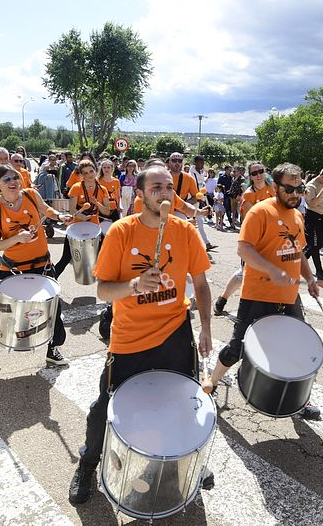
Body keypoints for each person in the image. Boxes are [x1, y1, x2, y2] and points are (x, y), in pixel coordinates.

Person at [67, 164, 214, 505]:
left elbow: (203, 285)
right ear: (141, 194)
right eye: (156, 188)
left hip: (176, 334)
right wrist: (133, 285)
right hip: (130, 338)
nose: (165, 193)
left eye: (169, 187)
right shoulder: (121, 232)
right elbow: (103, 290)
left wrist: (206, 328)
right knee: (105, 406)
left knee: (182, 404)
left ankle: (179, 465)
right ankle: (88, 464)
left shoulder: (185, 231)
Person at [207, 162, 321, 420]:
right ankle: (212, 382)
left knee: (296, 347)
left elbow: (299, 252)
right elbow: (243, 250)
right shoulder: (260, 212)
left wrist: (310, 279)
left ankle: (301, 400)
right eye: (289, 188)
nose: (295, 194)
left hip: (289, 296)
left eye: (299, 188)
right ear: (276, 186)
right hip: (257, 295)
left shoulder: (297, 216)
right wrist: (271, 270)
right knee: (238, 347)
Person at [0, 164, 74, 367]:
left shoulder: (30, 194)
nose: (13, 182)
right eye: (7, 179)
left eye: (15, 178)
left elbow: (46, 210)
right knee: (3, 310)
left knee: (54, 309)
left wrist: (59, 216)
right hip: (13, 268)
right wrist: (18, 238)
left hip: (43, 265)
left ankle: (52, 349)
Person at [213, 161, 275, 316]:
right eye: (254, 173)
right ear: (250, 177)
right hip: (253, 240)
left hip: (271, 239)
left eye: (260, 171)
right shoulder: (248, 194)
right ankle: (222, 300)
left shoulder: (272, 189)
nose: (259, 175)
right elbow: (250, 220)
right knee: (244, 274)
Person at [168, 152, 216, 252]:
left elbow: (195, 196)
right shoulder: (162, 176)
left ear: (182, 163)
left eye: (179, 161)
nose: (177, 163)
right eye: (174, 161)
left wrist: (182, 204)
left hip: (180, 211)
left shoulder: (188, 178)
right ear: (169, 162)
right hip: (162, 212)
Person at [303, 165, 323, 280]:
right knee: (315, 244)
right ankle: (319, 271)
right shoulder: (310, 186)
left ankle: (301, 259)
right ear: (322, 176)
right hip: (312, 216)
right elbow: (313, 203)